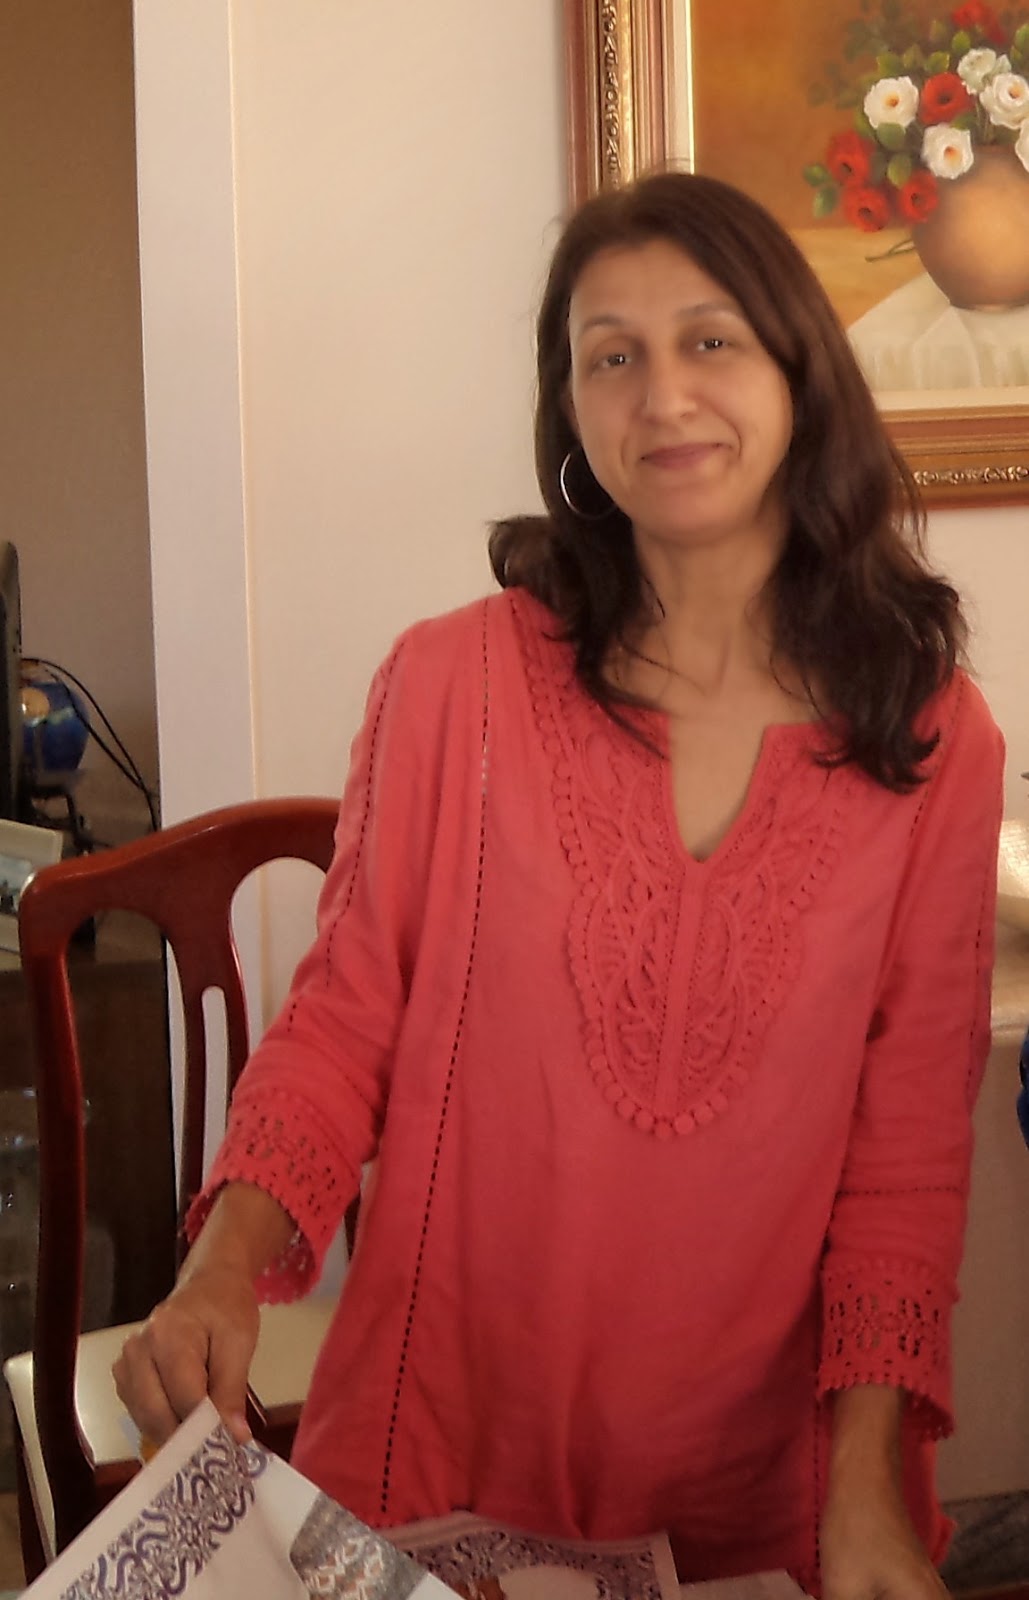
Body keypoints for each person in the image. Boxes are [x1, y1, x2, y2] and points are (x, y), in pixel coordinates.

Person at [114, 171, 1004, 1600]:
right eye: (611, 356)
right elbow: (344, 1020)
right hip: (441, 1458)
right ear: (572, 411)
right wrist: (222, 1262)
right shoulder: (451, 684)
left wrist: (860, 1496)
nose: (664, 396)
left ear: (798, 371)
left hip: (766, 1497)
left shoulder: (932, 737)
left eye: (708, 340)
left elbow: (904, 1156)